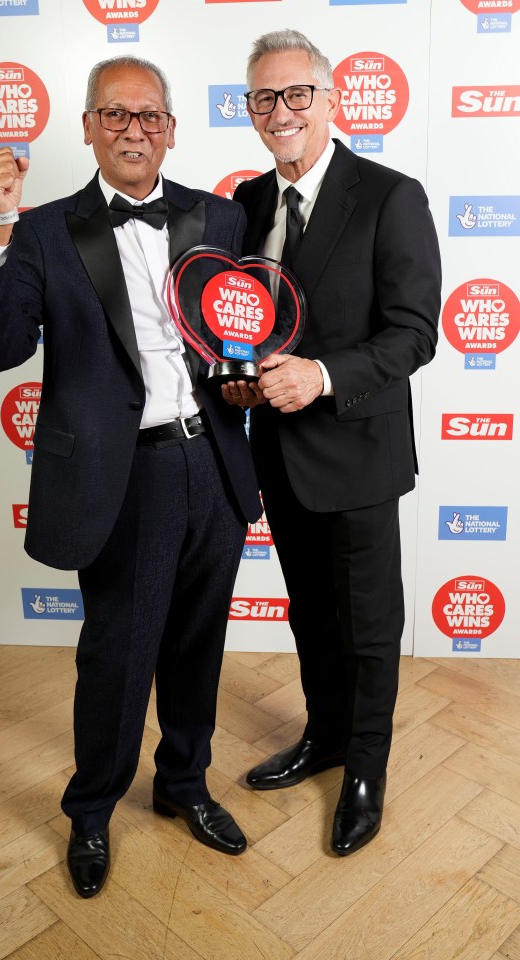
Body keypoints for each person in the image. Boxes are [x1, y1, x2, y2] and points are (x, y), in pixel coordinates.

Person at [0, 55, 262, 898]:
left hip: (214, 458)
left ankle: (183, 786)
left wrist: (246, 377)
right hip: (120, 476)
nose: (135, 130)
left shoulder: (220, 217)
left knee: (198, 645)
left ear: (171, 128)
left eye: (150, 116)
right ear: (88, 127)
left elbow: (242, 333)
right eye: (116, 115)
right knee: (117, 656)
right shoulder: (45, 230)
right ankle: (91, 810)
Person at [222, 30, 441, 855]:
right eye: (262, 98)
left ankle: (365, 771)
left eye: (294, 95)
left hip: (357, 450)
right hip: (277, 454)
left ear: (328, 98)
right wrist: (237, 382)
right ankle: (323, 737)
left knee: (368, 622)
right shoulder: (244, 201)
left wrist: (320, 376)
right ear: (250, 110)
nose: (280, 113)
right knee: (311, 612)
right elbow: (236, 325)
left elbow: (414, 333)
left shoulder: (390, 195)